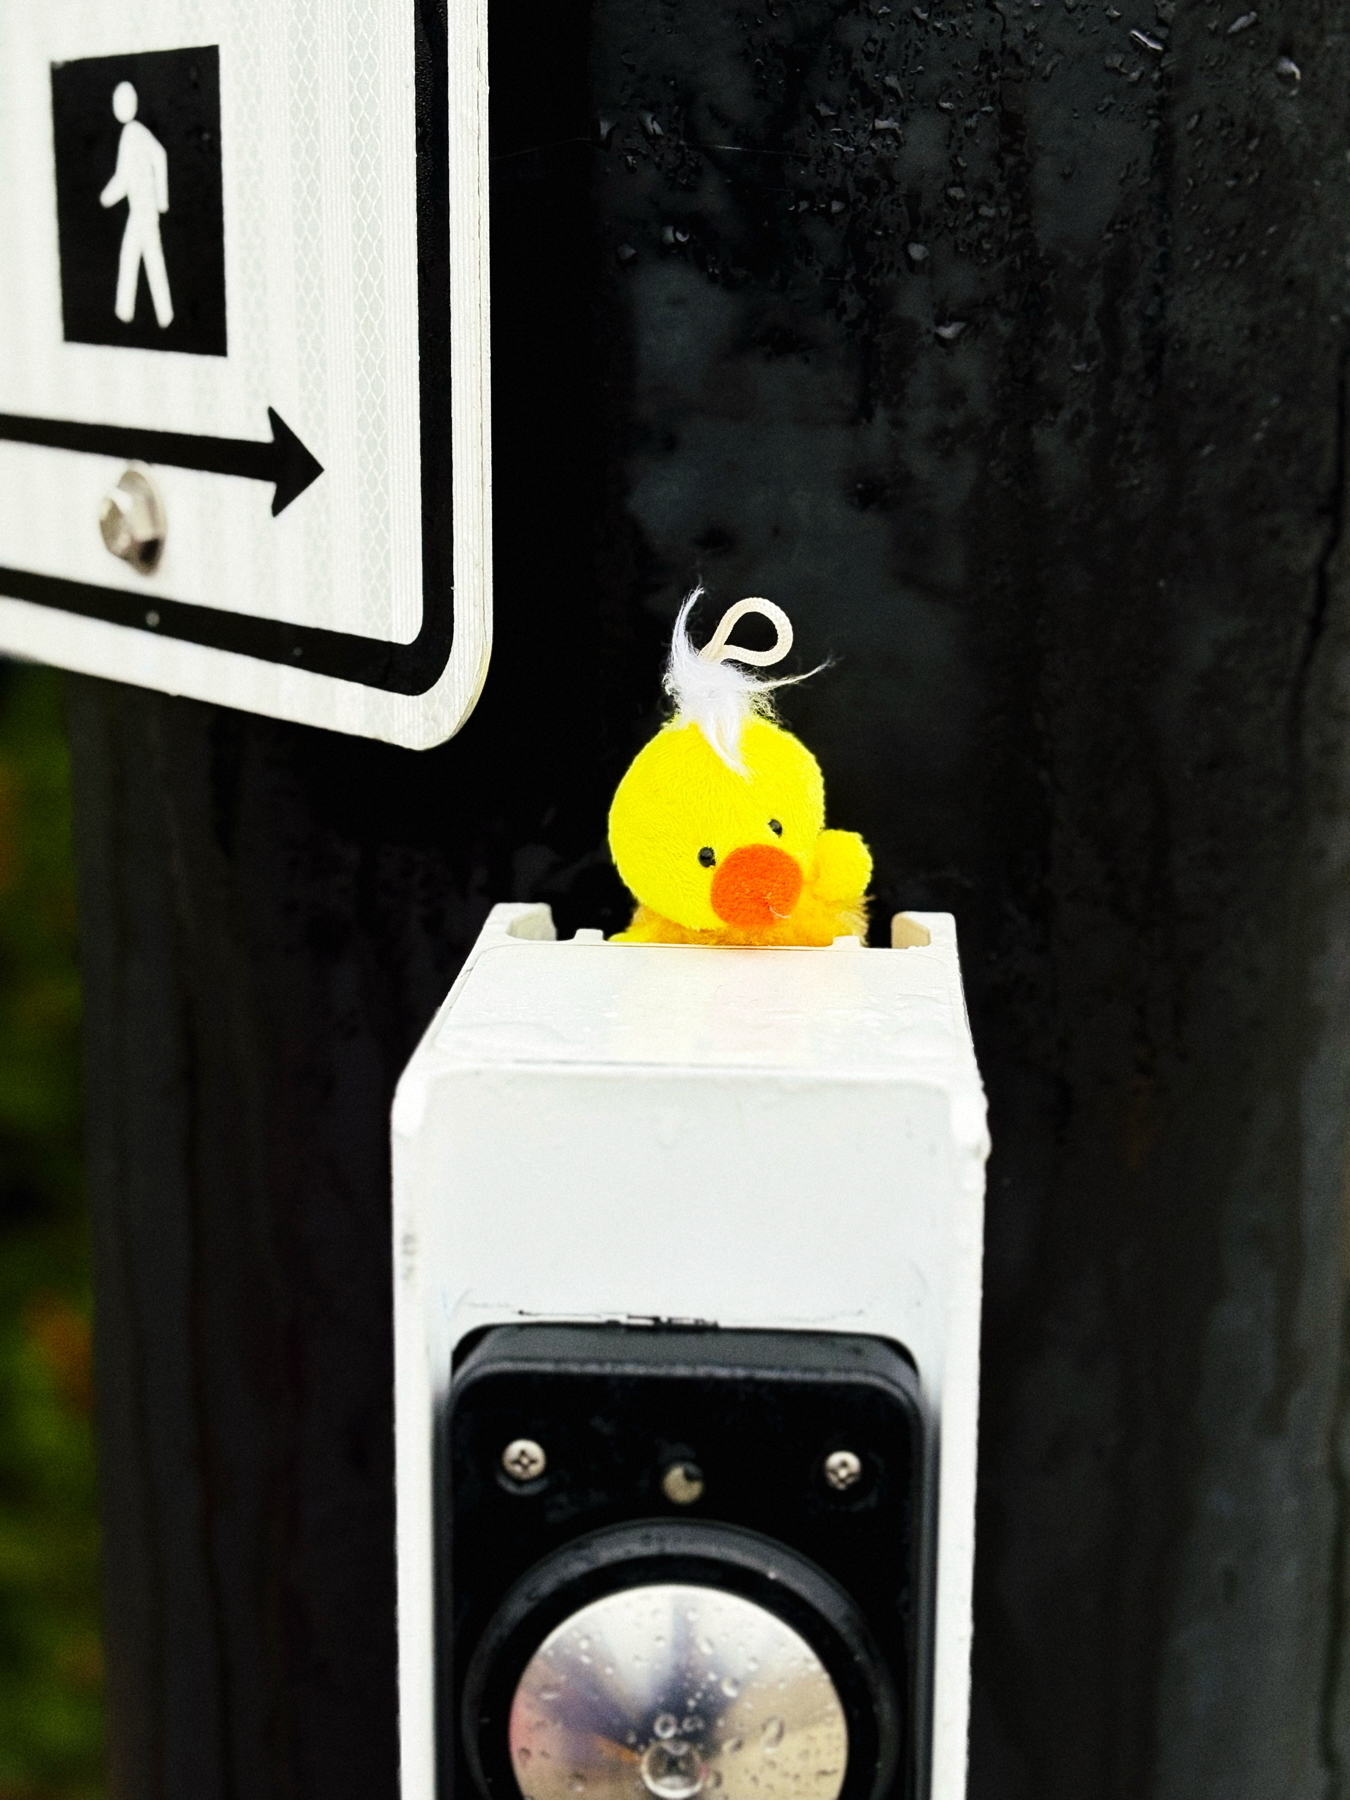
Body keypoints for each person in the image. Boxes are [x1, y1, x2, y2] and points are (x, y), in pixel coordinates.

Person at [99, 81, 173, 329]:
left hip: (144, 211)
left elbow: (124, 178)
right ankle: (134, 312)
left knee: (144, 257)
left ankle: (140, 313)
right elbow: (157, 158)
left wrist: (106, 197)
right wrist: (160, 200)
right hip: (143, 210)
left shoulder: (132, 134)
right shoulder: (134, 132)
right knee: (140, 256)